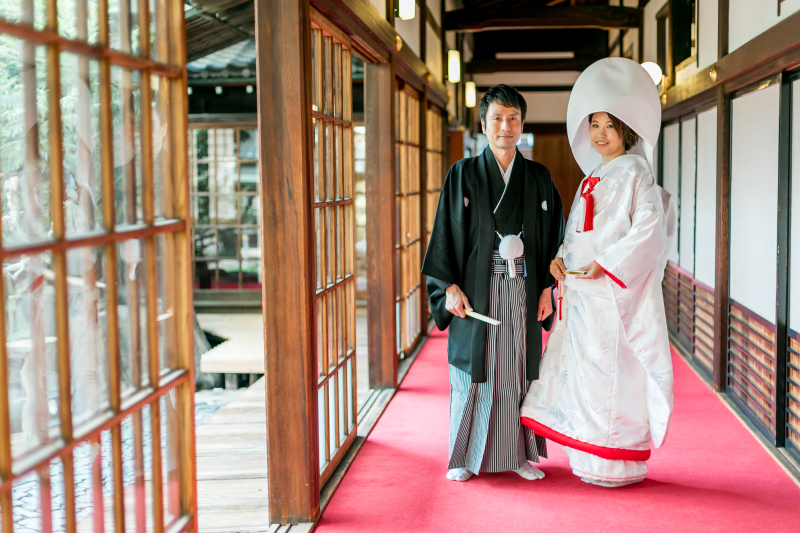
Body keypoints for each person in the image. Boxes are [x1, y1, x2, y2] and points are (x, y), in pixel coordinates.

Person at [520, 58, 677, 487]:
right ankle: (587, 459)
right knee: (582, 378)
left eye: (610, 125)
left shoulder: (636, 174)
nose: (601, 134)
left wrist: (606, 264)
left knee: (611, 376)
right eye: (594, 125)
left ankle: (617, 463)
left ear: (626, 129)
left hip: (609, 296)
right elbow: (578, 232)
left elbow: (649, 229)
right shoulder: (593, 175)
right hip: (581, 294)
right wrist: (558, 258)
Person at [422, 84, 565, 482]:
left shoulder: (537, 177)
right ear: (484, 124)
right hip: (476, 294)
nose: (506, 126)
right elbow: (443, 237)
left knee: (516, 372)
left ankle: (516, 456)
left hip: (521, 290)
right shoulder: (463, 174)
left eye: (513, 118)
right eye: (497, 118)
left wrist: (544, 290)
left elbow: (556, 239)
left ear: (522, 123)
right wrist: (446, 286)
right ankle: (465, 458)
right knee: (475, 372)